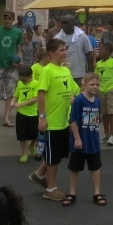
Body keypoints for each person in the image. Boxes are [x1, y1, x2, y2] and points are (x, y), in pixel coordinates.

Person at [29, 38, 80, 201]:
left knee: (58, 153)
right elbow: (41, 94)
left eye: (66, 50)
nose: (65, 53)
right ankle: (50, 189)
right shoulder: (47, 71)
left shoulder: (65, 71)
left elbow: (74, 91)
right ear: (51, 54)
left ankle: (38, 174)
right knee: (52, 157)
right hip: (51, 122)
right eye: (62, 50)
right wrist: (42, 118)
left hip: (64, 121)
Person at [68, 72, 105, 206]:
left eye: (97, 84)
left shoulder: (97, 101)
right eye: (92, 84)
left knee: (95, 168)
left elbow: (96, 120)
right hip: (80, 141)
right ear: (84, 84)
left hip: (93, 141)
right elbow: (73, 121)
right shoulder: (79, 100)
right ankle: (72, 192)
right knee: (75, 168)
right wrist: (77, 139)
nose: (95, 87)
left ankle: (97, 192)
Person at [0, 11, 23, 128]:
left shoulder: (18, 33)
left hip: (11, 67)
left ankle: (6, 117)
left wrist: (19, 61)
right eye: (5, 18)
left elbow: (19, 50)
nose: (7, 21)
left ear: (13, 20)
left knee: (11, 92)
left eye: (9, 19)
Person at [95, 41, 113, 146]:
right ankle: (106, 133)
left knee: (112, 113)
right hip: (101, 91)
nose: (99, 51)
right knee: (104, 113)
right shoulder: (98, 64)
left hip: (111, 90)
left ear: (107, 52)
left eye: (101, 49)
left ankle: (112, 135)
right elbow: (96, 77)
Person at [55, 15, 94, 87]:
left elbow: (89, 53)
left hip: (79, 74)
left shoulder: (82, 36)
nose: (64, 25)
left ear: (73, 23)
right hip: (61, 74)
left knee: (79, 95)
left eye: (67, 23)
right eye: (62, 23)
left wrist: (90, 71)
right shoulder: (57, 38)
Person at [13, 65, 40, 163]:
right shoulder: (20, 83)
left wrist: (21, 104)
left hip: (33, 113)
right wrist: (13, 102)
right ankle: (24, 152)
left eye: (25, 80)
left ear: (31, 76)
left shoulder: (36, 84)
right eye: (21, 79)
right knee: (22, 134)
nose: (23, 82)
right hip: (21, 113)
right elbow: (16, 95)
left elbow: (35, 99)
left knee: (35, 134)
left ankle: (32, 144)